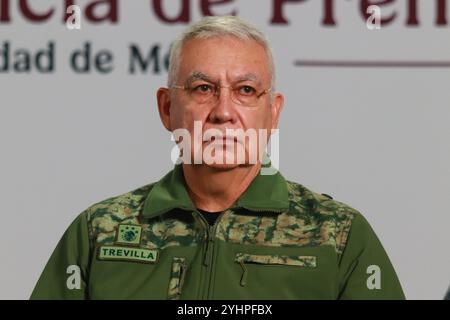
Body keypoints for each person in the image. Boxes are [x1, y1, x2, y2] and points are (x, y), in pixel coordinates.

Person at [31, 16, 405, 300]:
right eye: (203, 88)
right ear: (167, 108)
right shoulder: (98, 231)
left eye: (245, 90)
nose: (223, 111)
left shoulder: (338, 237)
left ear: (273, 113)